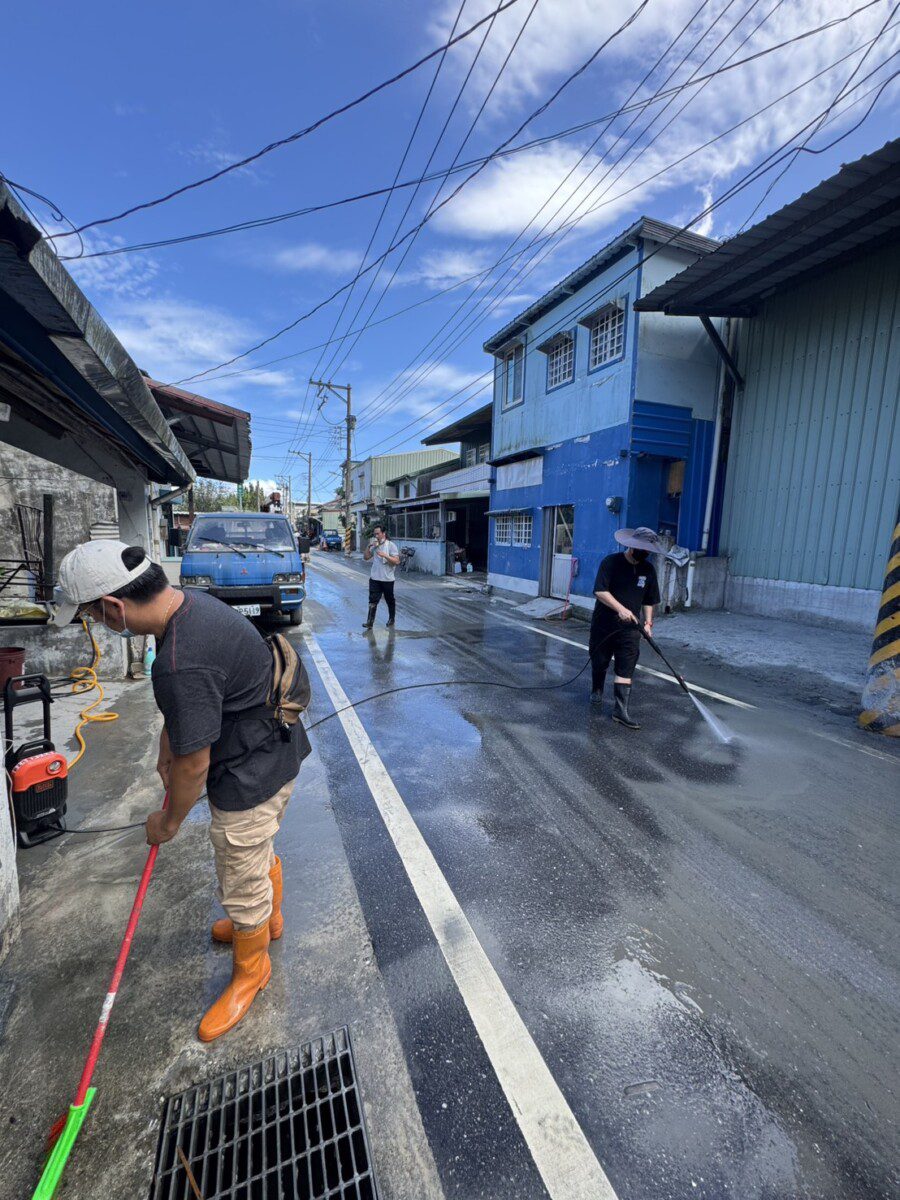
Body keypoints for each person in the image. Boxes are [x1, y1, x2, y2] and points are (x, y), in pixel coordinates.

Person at [51, 540, 310, 1042]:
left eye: (91, 617)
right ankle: (266, 922)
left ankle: (252, 969)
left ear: (112, 607)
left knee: (239, 861)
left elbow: (195, 766)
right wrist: (168, 747)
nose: (97, 626)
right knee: (256, 853)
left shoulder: (178, 660)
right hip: (274, 748)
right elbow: (191, 712)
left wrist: (166, 822)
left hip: (250, 771)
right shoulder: (192, 605)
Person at [589, 526, 662, 729]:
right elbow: (600, 591)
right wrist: (620, 608)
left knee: (626, 665)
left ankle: (620, 711)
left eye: (648, 551)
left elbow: (650, 600)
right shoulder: (611, 562)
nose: (646, 554)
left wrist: (647, 623)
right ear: (632, 546)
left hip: (631, 629)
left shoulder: (648, 570)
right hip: (604, 625)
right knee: (600, 660)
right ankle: (597, 689)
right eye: (643, 549)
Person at [362, 524, 400, 629]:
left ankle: (391, 619)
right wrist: (368, 547)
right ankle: (370, 622)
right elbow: (366, 558)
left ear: (383, 534)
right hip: (375, 578)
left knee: (389, 599)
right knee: (373, 600)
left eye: (378, 534)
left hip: (387, 579)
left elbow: (397, 561)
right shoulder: (375, 546)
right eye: (375, 534)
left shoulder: (391, 545)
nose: (376, 536)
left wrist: (385, 555)